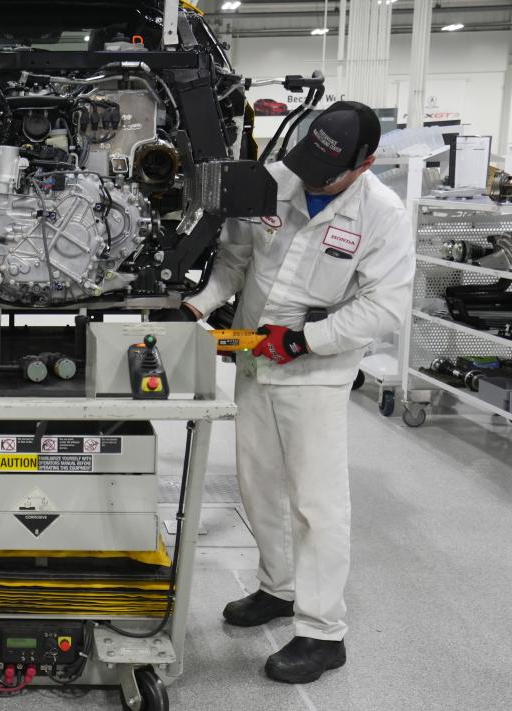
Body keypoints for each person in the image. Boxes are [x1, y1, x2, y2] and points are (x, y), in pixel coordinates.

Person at [183, 102, 414, 683]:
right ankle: (278, 588)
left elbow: (385, 307)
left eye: (327, 173)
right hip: (255, 361)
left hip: (316, 371)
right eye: (307, 164)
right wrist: (203, 304)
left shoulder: (382, 214)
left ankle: (321, 631)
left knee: (317, 502)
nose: (310, 180)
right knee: (257, 484)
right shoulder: (278, 181)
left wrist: (307, 340)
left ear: (367, 164)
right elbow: (234, 262)